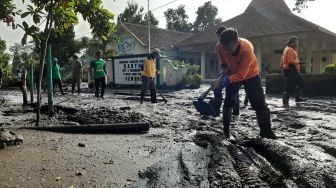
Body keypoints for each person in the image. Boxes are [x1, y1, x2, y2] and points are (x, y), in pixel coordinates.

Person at [212, 28, 276, 139]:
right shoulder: (220, 46)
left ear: (236, 41)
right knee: (229, 99)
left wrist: (223, 81)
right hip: (232, 72)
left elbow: (242, 75)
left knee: (259, 102)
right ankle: (226, 132)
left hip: (250, 74)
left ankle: (266, 131)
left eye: (229, 49)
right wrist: (224, 66)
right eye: (224, 48)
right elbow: (221, 57)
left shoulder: (247, 48)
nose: (226, 52)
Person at [214, 26, 248, 116]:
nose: (220, 39)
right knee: (217, 87)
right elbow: (221, 57)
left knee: (233, 91)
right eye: (219, 37)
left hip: (238, 72)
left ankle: (236, 111)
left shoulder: (239, 46)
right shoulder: (218, 46)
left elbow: (240, 65)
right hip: (228, 70)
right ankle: (216, 108)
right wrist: (224, 66)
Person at [280, 36, 306, 105]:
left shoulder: (287, 49)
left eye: (297, 42)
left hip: (289, 69)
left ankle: (296, 98)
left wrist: (282, 67)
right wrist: (299, 62)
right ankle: (286, 101)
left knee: (299, 83)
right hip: (291, 69)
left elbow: (282, 59)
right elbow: (290, 61)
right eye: (295, 42)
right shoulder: (290, 50)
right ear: (291, 42)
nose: (296, 44)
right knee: (291, 85)